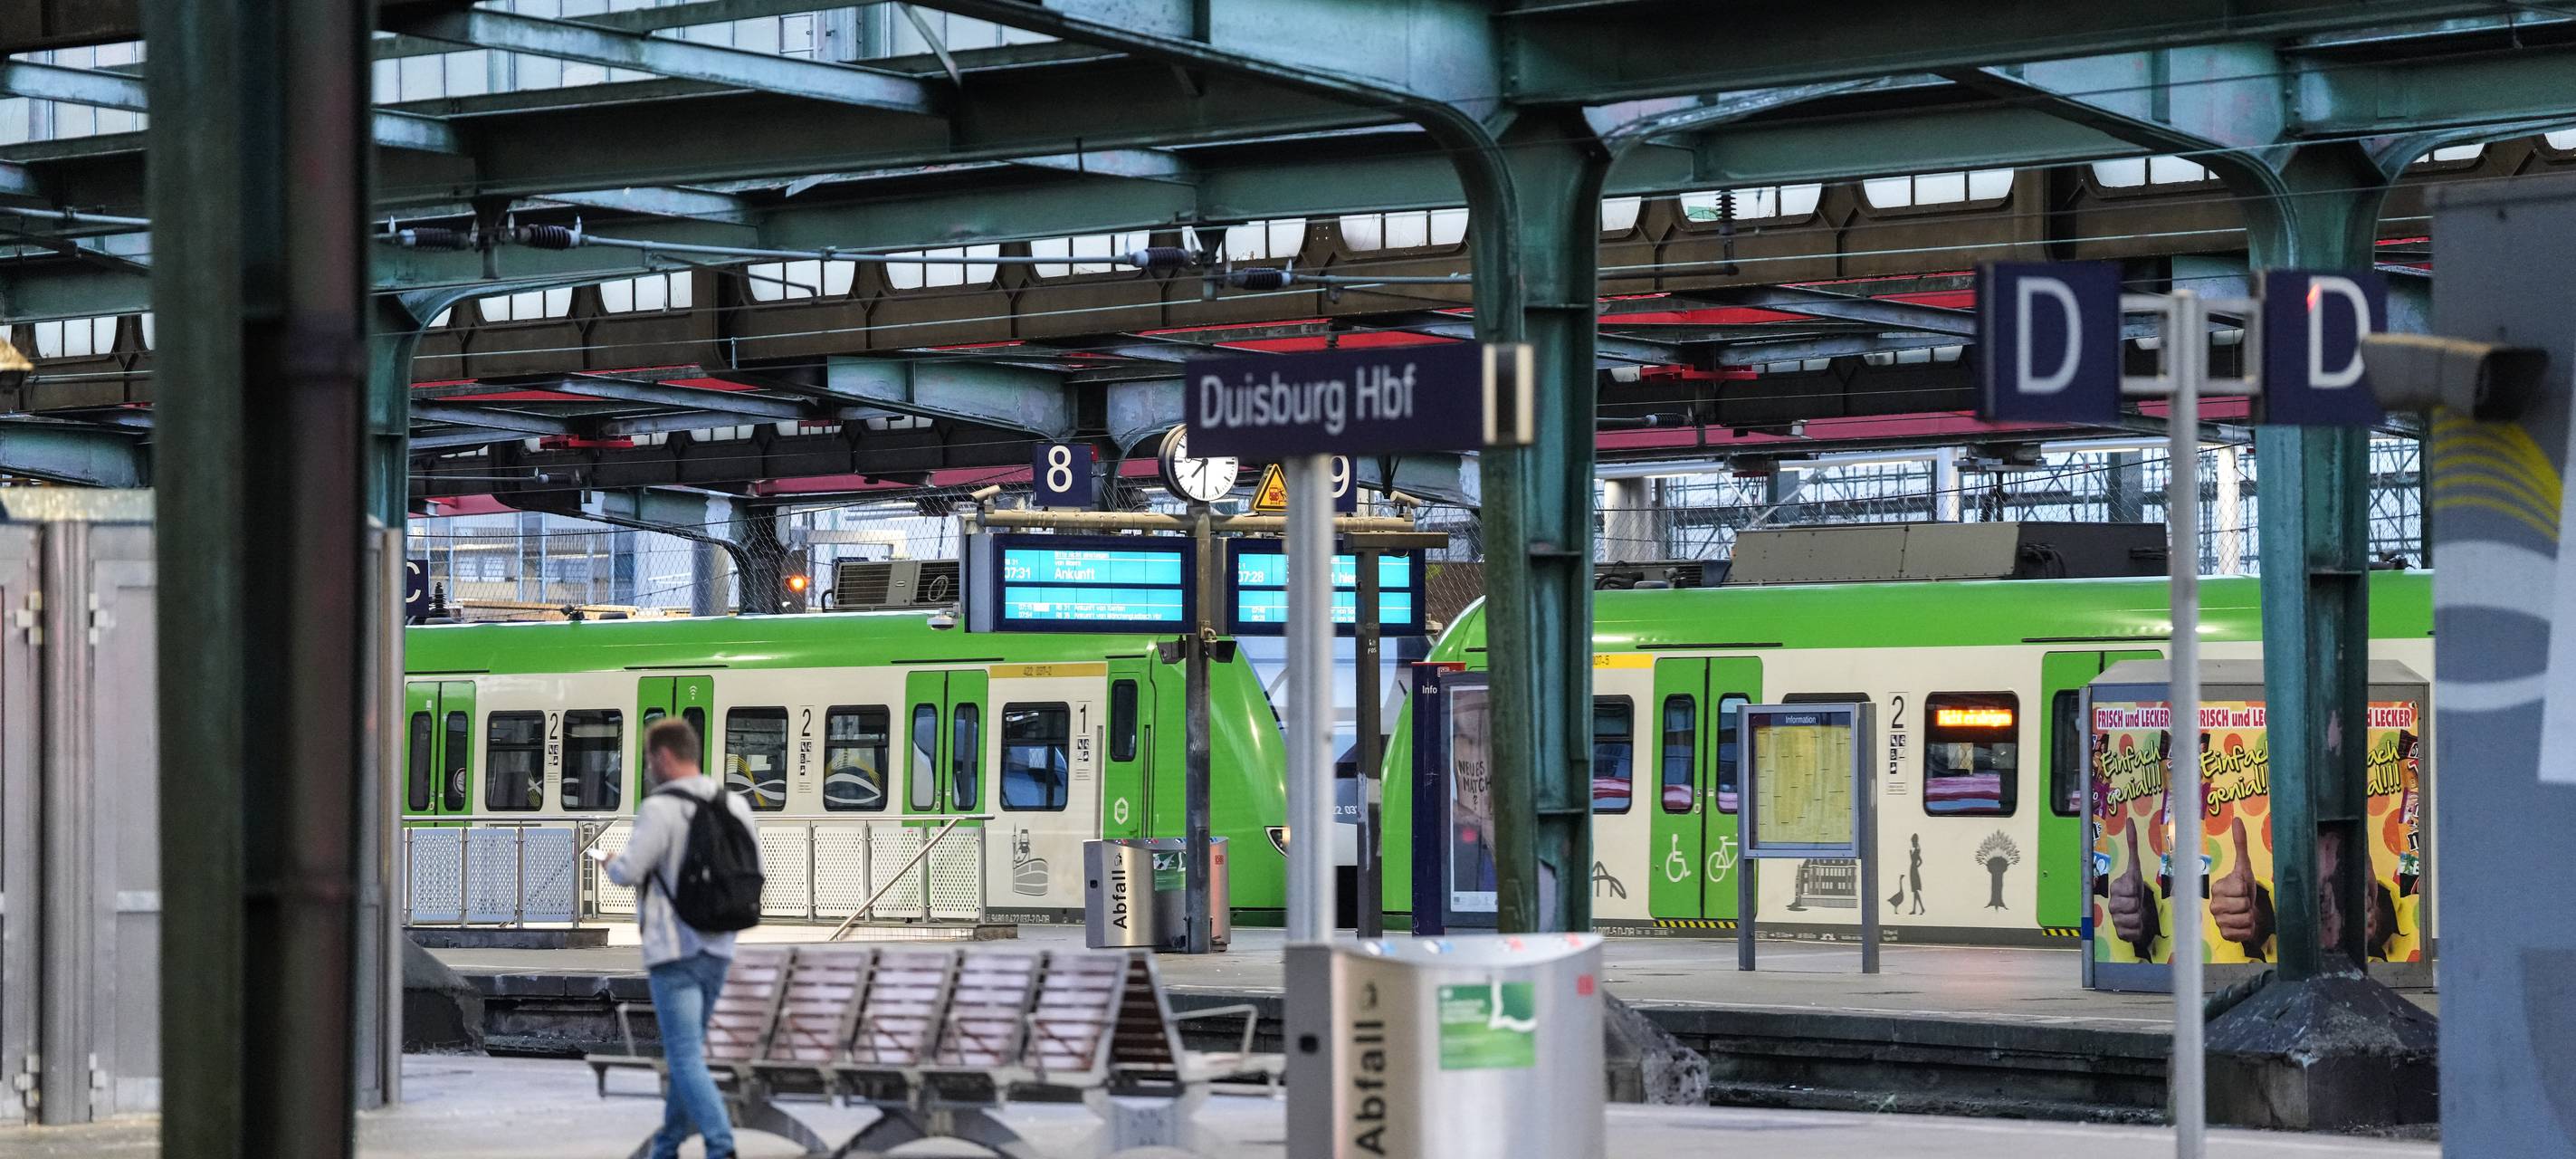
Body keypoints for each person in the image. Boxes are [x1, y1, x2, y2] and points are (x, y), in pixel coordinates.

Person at [596, 717, 761, 1159]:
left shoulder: (660, 808)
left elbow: (629, 871)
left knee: (685, 1058)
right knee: (687, 1058)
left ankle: (720, 1145)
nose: (649, 767)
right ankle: (666, 1146)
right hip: (720, 947)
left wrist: (608, 860)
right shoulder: (734, 805)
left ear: (664, 757)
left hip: (674, 950)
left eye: (650, 758)